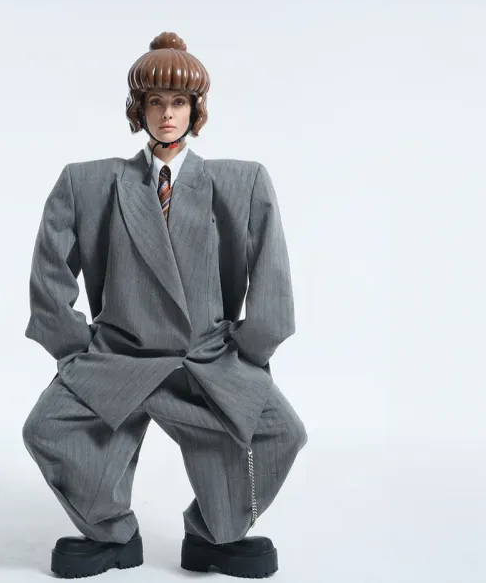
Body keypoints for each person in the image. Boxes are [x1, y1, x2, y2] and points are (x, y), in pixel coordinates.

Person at [21, 31, 307, 579]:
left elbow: (272, 277)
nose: (167, 113)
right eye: (155, 101)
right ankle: (109, 533)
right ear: (139, 108)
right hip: (118, 356)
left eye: (179, 101)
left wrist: (249, 353)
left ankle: (215, 534)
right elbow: (50, 274)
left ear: (196, 109)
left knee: (281, 433)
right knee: (47, 428)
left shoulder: (241, 182)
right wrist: (75, 350)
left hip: (207, 358)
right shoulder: (88, 182)